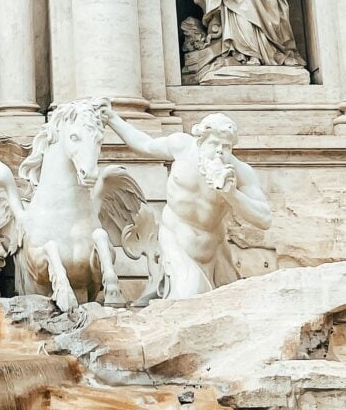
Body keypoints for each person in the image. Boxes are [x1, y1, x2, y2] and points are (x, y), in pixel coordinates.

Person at [103, 108, 272, 298]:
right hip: (176, 240)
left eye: (226, 147)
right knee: (189, 296)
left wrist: (232, 194)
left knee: (229, 301)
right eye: (214, 144)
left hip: (215, 250)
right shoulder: (182, 147)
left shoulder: (240, 172)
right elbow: (145, 145)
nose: (220, 151)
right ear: (200, 142)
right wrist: (112, 118)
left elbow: (264, 219)